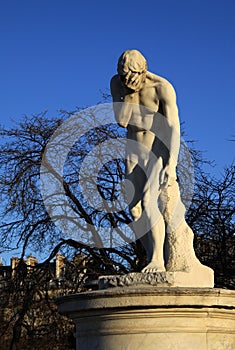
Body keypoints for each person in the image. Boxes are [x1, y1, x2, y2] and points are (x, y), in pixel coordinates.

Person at [110, 49, 181, 272]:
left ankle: (158, 260)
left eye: (132, 77)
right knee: (134, 209)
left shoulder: (162, 87)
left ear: (144, 70)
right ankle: (151, 256)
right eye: (124, 77)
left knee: (150, 200)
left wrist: (172, 163)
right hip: (133, 145)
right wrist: (127, 94)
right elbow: (122, 121)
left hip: (158, 145)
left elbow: (173, 128)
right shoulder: (117, 84)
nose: (128, 81)